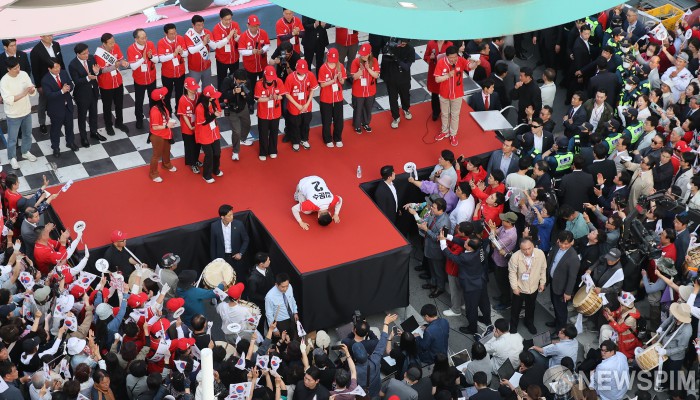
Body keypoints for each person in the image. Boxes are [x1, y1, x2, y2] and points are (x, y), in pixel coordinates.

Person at [439, 231, 488, 335]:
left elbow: (451, 256)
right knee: (484, 303)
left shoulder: (466, 257)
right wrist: (447, 236)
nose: (464, 242)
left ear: (469, 248)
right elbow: (462, 242)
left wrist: (443, 243)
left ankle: (472, 328)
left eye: (466, 242)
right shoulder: (479, 247)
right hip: (481, 280)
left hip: (471, 286)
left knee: (471, 308)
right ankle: (486, 319)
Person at [434, 46, 478, 146]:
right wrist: (447, 75)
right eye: (451, 58)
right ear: (447, 56)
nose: (454, 59)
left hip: (457, 94)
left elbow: (470, 66)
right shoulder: (441, 62)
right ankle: (444, 131)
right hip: (444, 93)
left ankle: (453, 134)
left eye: (455, 57)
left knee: (455, 115)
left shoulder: (460, 60)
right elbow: (437, 79)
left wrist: (476, 64)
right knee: (444, 114)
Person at [0, 58, 38, 170]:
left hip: (26, 110)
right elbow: (8, 99)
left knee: (27, 134)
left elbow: (31, 88)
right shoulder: (4, 81)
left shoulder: (24, 74)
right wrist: (24, 93)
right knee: (12, 138)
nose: (18, 70)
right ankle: (12, 157)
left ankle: (25, 151)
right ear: (8, 69)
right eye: (15, 68)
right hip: (13, 115)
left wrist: (32, 91)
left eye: (18, 66)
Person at [409, 198, 451, 297]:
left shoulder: (445, 223)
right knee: (432, 268)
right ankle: (433, 282)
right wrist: (421, 222)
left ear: (441, 210)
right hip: (429, 247)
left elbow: (439, 238)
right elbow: (426, 220)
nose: (431, 208)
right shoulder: (434, 214)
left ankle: (440, 288)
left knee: (438, 271)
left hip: (437, 251)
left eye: (434, 207)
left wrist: (426, 229)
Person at [508, 238, 546, 334]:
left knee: (531, 307)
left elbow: (543, 269)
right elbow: (512, 273)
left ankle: (529, 323)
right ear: (520, 248)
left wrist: (542, 283)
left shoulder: (540, 253)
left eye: (529, 248)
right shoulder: (515, 257)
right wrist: (514, 287)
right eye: (524, 249)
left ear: (533, 246)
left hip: (533, 288)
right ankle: (513, 326)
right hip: (520, 288)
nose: (527, 251)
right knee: (515, 308)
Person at [95, 33, 130, 136]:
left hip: (118, 81)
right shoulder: (99, 54)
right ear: (104, 44)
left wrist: (123, 62)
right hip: (106, 84)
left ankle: (119, 123)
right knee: (107, 107)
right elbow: (102, 70)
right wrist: (115, 66)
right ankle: (108, 125)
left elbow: (120, 59)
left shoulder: (116, 46)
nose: (113, 45)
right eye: (110, 43)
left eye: (113, 42)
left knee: (119, 104)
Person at [69, 43, 103, 147]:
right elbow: (76, 81)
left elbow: (98, 71)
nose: (87, 55)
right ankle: (83, 137)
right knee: (82, 117)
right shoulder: (73, 65)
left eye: (87, 52)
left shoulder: (91, 58)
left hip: (93, 91)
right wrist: (88, 78)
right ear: (78, 54)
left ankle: (94, 132)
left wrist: (97, 72)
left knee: (94, 113)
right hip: (82, 95)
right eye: (84, 54)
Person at [30, 35, 65, 135]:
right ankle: (42, 123)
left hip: (58, 78)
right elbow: (35, 70)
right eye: (48, 35)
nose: (51, 37)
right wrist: (38, 86)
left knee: (58, 98)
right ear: (41, 36)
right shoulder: (35, 51)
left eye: (51, 35)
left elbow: (61, 61)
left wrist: (64, 76)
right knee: (43, 103)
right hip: (45, 81)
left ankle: (58, 118)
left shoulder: (56, 45)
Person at [42, 57, 77, 157]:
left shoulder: (63, 73)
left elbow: (70, 84)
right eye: (55, 68)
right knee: (56, 129)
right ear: (49, 69)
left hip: (68, 106)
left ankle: (70, 142)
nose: (58, 69)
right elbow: (49, 95)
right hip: (56, 109)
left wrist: (69, 88)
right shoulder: (45, 80)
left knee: (69, 126)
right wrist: (62, 91)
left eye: (59, 66)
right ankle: (55, 147)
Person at [546, 231, 580, 332]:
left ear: (571, 242)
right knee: (555, 304)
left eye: (566, 244)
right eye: (561, 243)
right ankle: (556, 321)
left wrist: (568, 292)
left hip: (562, 288)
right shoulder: (556, 247)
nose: (563, 246)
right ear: (558, 240)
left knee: (561, 310)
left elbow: (572, 277)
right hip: (553, 282)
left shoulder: (573, 257)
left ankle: (560, 330)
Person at [284, 59, 318, 152]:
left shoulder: (310, 75)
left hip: (307, 106)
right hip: (294, 107)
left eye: (304, 70)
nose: (302, 72)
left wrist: (307, 103)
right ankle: (295, 141)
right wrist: (297, 105)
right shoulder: (290, 78)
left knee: (306, 123)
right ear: (296, 67)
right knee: (295, 124)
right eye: (300, 70)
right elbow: (287, 94)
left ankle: (304, 139)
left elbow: (312, 89)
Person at [127, 29, 158, 131]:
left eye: (145, 37)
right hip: (139, 80)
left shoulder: (150, 44)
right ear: (136, 39)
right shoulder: (131, 49)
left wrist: (151, 57)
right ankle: (139, 119)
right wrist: (143, 58)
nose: (145, 40)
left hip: (151, 78)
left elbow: (156, 60)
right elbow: (133, 66)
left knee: (153, 99)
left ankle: (154, 117)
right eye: (142, 38)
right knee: (139, 101)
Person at [210, 204, 250, 282]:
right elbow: (213, 245)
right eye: (229, 215)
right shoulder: (214, 226)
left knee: (239, 277)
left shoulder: (239, 224)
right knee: (224, 279)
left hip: (235, 257)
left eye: (232, 214)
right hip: (221, 258)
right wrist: (214, 261)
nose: (232, 217)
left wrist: (240, 253)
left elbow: (246, 239)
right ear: (222, 217)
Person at [381, 38, 415, 129]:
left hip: (404, 78)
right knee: (392, 99)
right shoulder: (391, 46)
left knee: (405, 96)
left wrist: (397, 59)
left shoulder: (410, 49)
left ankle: (406, 109)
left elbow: (407, 67)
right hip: (391, 78)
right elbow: (384, 59)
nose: (403, 43)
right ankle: (396, 117)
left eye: (405, 41)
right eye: (401, 41)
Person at [255, 66, 287, 160]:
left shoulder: (279, 82)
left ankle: (273, 150)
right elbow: (258, 99)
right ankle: (263, 152)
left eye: (272, 78)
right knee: (263, 133)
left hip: (275, 113)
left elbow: (282, 95)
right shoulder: (259, 84)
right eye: (268, 78)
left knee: (274, 132)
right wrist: (269, 98)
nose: (270, 80)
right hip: (263, 113)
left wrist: (277, 97)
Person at [239, 14, 270, 112]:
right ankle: (251, 104)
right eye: (253, 26)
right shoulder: (244, 36)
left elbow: (267, 44)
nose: (255, 28)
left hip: (262, 65)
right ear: (248, 25)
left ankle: (265, 100)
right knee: (250, 87)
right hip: (250, 66)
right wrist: (252, 52)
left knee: (264, 84)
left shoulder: (263, 33)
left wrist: (263, 50)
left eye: (257, 26)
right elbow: (241, 51)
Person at [195, 85, 224, 184]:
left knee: (217, 152)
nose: (215, 97)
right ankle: (206, 175)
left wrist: (218, 113)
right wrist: (214, 115)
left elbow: (218, 110)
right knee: (209, 155)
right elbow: (203, 122)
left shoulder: (214, 101)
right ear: (208, 97)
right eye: (213, 96)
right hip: (204, 134)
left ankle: (215, 169)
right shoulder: (200, 108)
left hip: (214, 131)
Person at [318, 48, 347, 147]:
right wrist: (332, 81)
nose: (332, 61)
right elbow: (322, 84)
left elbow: (342, 82)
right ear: (327, 57)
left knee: (339, 120)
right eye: (331, 59)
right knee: (326, 121)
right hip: (326, 99)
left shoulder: (341, 66)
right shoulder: (323, 68)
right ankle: (327, 139)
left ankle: (338, 138)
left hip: (338, 98)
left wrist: (340, 78)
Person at [157, 23, 188, 116]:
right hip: (167, 74)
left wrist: (182, 52)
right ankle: (168, 111)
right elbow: (161, 59)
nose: (174, 35)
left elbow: (186, 54)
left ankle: (179, 109)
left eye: (175, 33)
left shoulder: (180, 38)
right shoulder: (161, 42)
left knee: (180, 93)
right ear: (165, 34)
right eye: (171, 34)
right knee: (167, 94)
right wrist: (174, 54)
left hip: (180, 73)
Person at [148, 87, 176, 183]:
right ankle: (153, 174)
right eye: (163, 95)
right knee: (156, 155)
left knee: (167, 150)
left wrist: (168, 122)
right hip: (158, 136)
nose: (165, 95)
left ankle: (166, 165)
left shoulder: (161, 105)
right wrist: (167, 126)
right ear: (160, 98)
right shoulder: (155, 111)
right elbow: (155, 127)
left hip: (166, 133)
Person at [350, 43, 379, 134]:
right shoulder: (355, 62)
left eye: (365, 54)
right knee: (358, 109)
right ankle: (357, 125)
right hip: (358, 91)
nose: (362, 56)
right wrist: (361, 70)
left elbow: (376, 75)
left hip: (370, 90)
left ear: (369, 53)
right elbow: (354, 77)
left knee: (368, 108)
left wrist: (368, 69)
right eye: (361, 54)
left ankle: (366, 123)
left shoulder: (374, 61)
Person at [212, 8, 241, 90]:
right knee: (222, 80)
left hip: (234, 58)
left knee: (235, 80)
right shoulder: (216, 28)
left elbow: (240, 40)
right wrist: (229, 37)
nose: (228, 22)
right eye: (226, 20)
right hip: (222, 60)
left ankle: (234, 95)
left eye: (230, 19)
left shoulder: (235, 24)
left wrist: (236, 36)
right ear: (221, 19)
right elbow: (218, 45)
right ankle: (221, 96)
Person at [178, 77, 202, 172]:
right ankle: (192, 163)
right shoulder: (183, 100)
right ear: (186, 88)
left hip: (196, 125)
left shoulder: (198, 95)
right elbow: (183, 115)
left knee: (197, 144)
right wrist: (190, 127)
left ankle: (196, 160)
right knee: (190, 146)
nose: (195, 89)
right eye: (192, 88)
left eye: (195, 87)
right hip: (187, 128)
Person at [426, 40, 454, 120]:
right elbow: (425, 57)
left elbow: (454, 58)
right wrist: (430, 57)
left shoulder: (450, 44)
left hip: (445, 72)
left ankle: (447, 111)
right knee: (434, 93)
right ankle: (436, 112)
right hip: (434, 71)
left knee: (446, 93)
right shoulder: (431, 43)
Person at [265, 273, 299, 338]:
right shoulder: (269, 296)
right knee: (282, 341)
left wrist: (295, 312)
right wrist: (274, 329)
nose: (285, 289)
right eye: (283, 287)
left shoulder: (290, 287)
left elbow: (292, 299)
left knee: (292, 337)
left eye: (287, 286)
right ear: (276, 285)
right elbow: (269, 314)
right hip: (280, 322)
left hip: (291, 318)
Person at [185, 14, 215, 88]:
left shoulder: (207, 32)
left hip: (207, 66)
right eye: (198, 25)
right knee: (193, 88)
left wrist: (209, 41)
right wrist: (203, 43)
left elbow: (214, 46)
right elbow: (191, 50)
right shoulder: (188, 35)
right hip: (194, 68)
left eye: (202, 24)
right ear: (193, 25)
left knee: (207, 87)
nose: (201, 27)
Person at [246, 252, 275, 324]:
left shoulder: (268, 269)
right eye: (268, 261)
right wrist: (266, 298)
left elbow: (272, 280)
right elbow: (252, 295)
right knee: (261, 322)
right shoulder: (253, 279)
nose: (269, 261)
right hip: (261, 305)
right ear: (261, 264)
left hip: (270, 301)